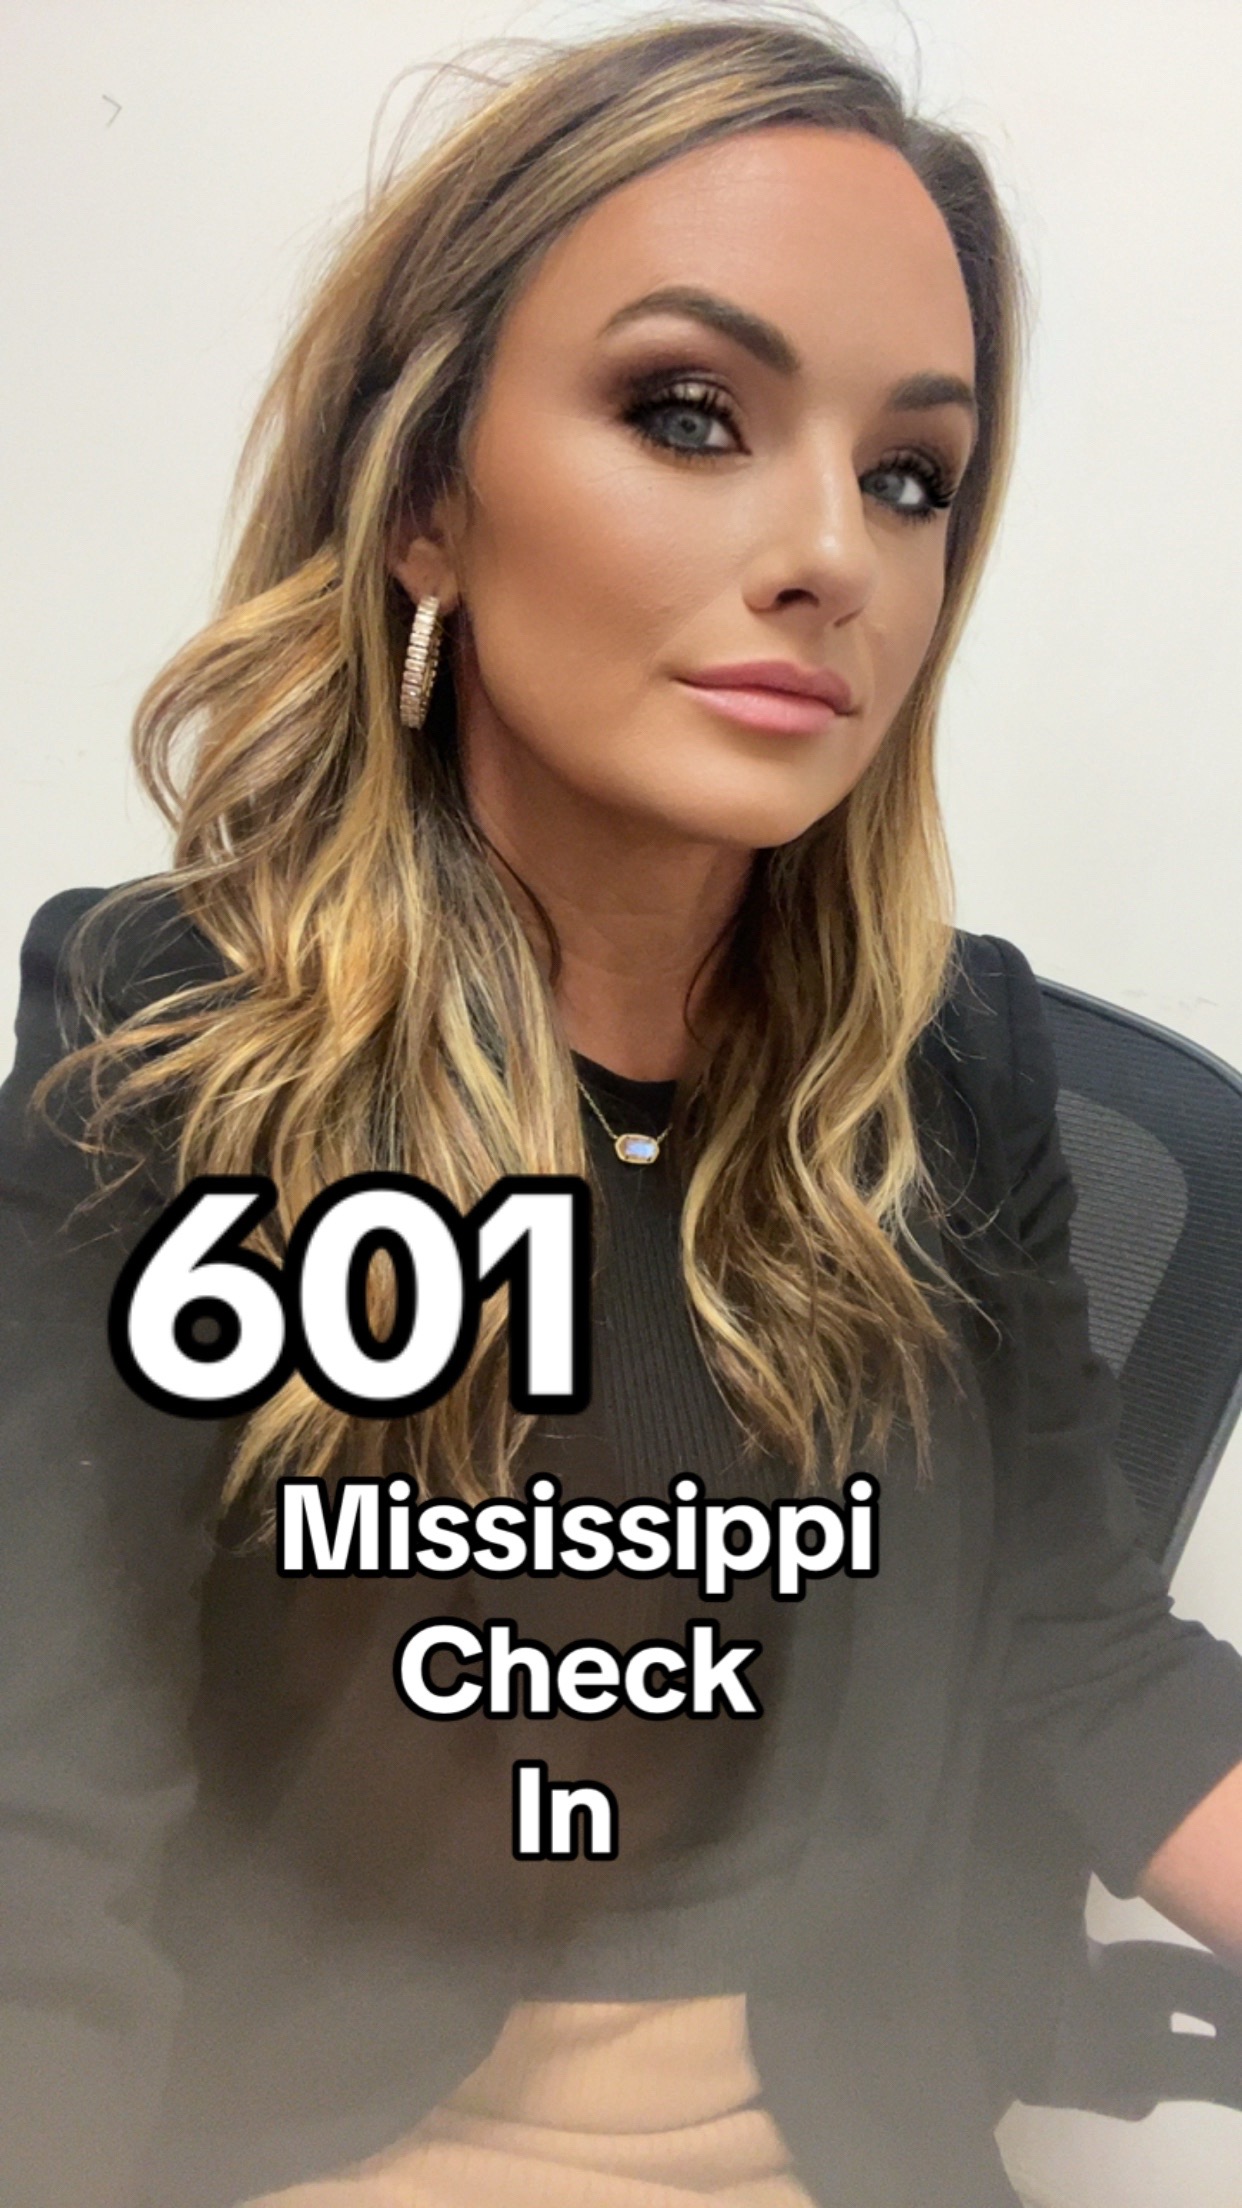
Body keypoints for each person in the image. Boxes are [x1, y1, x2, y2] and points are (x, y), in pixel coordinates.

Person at [2, 12, 1241, 2207]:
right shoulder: (167, 1044)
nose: (833, 553)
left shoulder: (949, 1072)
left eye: (911, 474)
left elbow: (1082, 1650)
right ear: (425, 505)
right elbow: (41, 1835)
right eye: (689, 415)